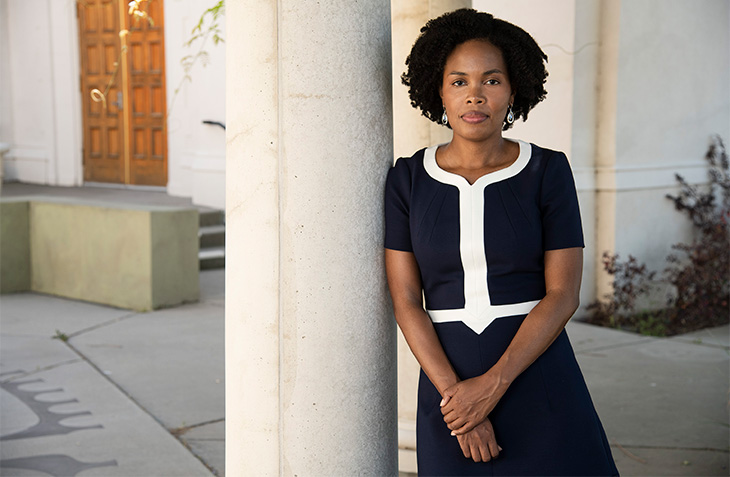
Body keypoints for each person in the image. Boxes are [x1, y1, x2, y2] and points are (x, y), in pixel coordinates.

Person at [384, 9, 619, 476]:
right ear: (439, 90)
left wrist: (493, 384)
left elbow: (563, 294)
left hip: (538, 376)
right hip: (446, 387)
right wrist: (459, 403)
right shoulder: (407, 179)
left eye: (491, 80)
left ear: (514, 90)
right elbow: (406, 298)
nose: (474, 94)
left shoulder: (547, 171)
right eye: (458, 81)